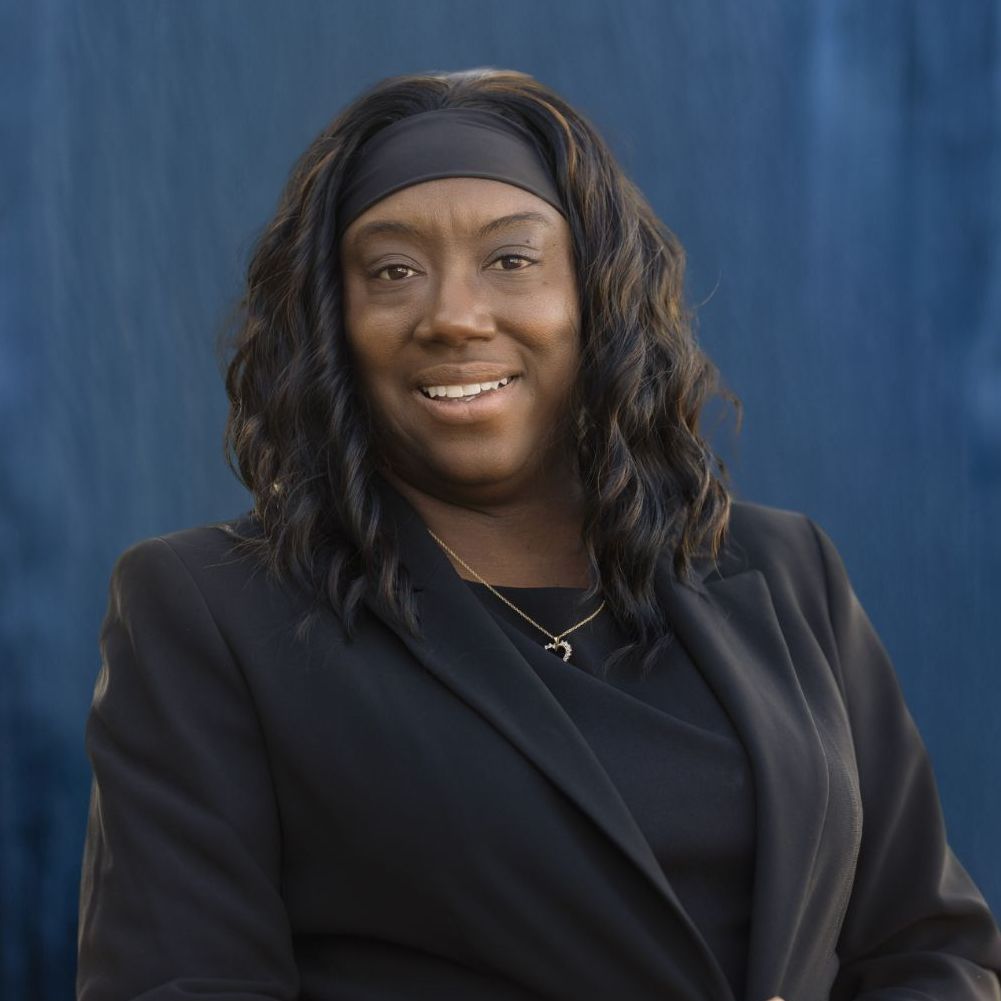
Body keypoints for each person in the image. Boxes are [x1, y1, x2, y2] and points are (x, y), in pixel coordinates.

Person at [76, 67, 1001, 1001]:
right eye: (392, 271)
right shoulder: (211, 613)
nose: (453, 315)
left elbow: (927, 944)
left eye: (511, 261)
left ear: (596, 298)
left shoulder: (782, 569)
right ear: (331, 320)